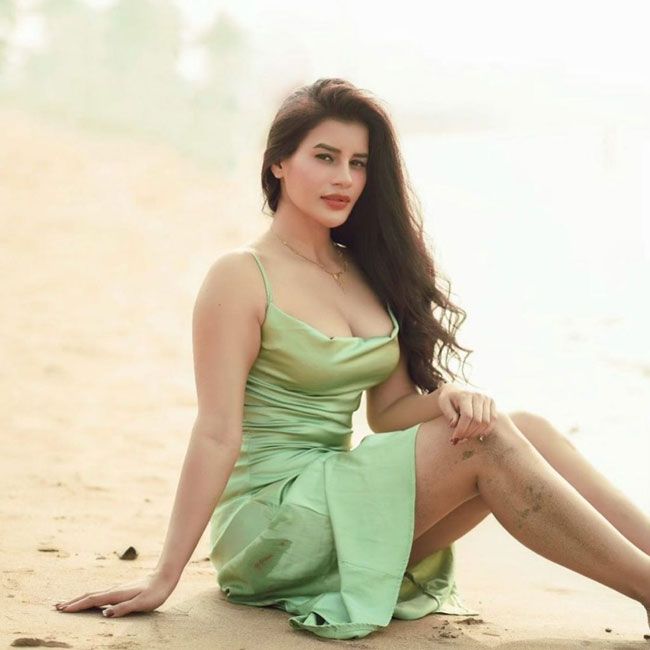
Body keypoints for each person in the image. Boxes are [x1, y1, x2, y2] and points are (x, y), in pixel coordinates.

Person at [54, 78, 650, 640]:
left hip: (338, 501)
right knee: (484, 441)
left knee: (526, 427)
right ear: (278, 163)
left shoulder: (367, 270)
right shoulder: (241, 275)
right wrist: (165, 576)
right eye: (325, 157)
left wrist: (443, 397)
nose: (344, 177)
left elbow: (388, 414)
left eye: (358, 163)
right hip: (271, 521)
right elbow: (215, 432)